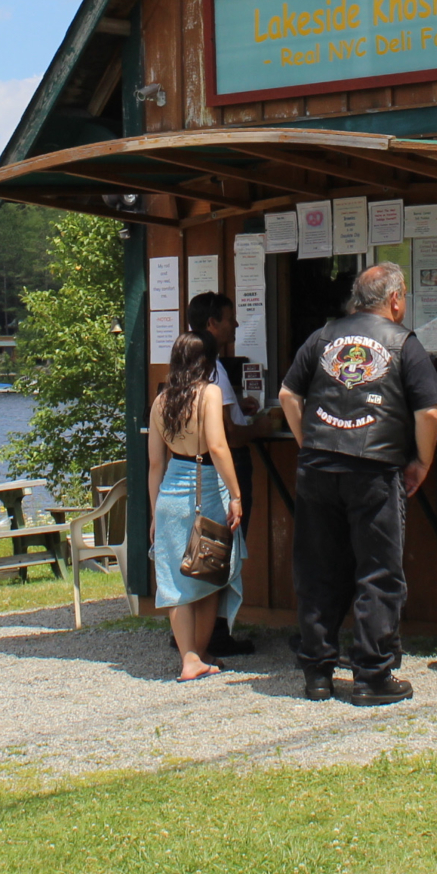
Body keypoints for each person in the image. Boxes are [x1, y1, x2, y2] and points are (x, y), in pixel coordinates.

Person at [279, 260, 437, 705]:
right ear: (394, 299)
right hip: (373, 468)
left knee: (318, 571)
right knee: (378, 572)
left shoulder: (323, 335)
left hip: (317, 467)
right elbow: (428, 412)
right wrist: (422, 462)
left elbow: (287, 394)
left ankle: (317, 673)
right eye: (404, 296)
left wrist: (308, 442)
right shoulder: (404, 343)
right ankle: (372, 675)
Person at [147, 327, 247, 681]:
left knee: (176, 582)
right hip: (206, 489)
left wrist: (154, 512)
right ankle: (197, 656)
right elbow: (218, 448)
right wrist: (235, 495)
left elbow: (155, 464)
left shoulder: (161, 400)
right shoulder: (209, 394)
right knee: (209, 573)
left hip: (170, 492)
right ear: (208, 360)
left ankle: (192, 657)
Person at [184, 291, 263, 660]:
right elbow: (229, 435)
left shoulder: (186, 364)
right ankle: (214, 633)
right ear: (213, 323)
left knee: (196, 550)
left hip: (187, 471)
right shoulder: (213, 368)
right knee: (220, 550)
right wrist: (260, 425)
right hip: (223, 470)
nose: (235, 325)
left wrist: (240, 409)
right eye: (230, 319)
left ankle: (188, 634)